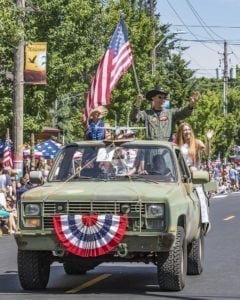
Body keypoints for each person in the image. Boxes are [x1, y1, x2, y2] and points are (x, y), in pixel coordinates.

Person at [130, 86, 200, 141]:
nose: (162, 100)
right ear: (153, 98)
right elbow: (134, 118)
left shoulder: (171, 113)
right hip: (151, 150)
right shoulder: (146, 114)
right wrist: (138, 103)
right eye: (160, 97)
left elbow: (184, 112)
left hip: (165, 151)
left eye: (164, 98)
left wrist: (191, 104)